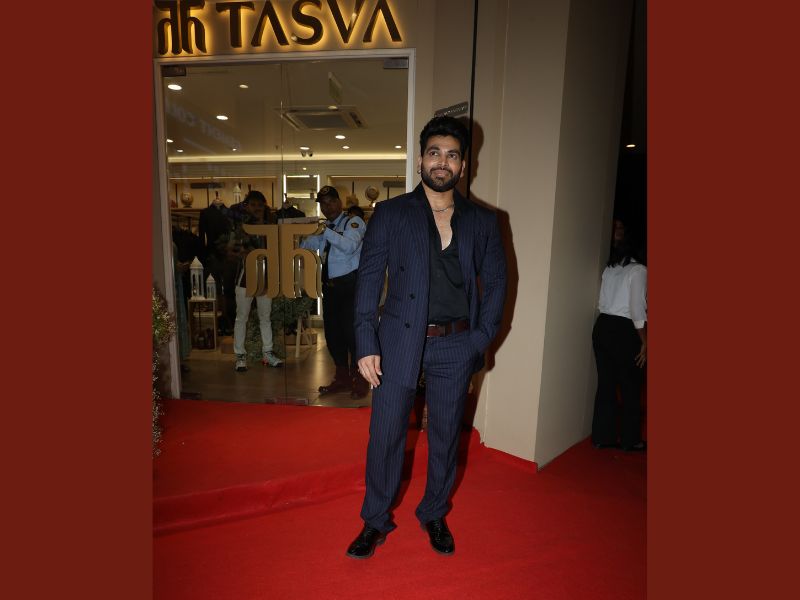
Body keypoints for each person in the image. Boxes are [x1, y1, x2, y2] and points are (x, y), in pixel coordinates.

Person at [345, 115, 507, 559]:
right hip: (397, 339)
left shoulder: (483, 221)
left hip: (456, 342)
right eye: (434, 152)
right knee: (386, 435)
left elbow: (496, 283)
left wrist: (480, 339)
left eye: (452, 155)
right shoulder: (392, 213)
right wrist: (366, 342)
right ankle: (374, 520)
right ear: (420, 160)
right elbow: (368, 280)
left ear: (464, 165)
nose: (442, 162)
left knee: (446, 436)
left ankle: (434, 511)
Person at [300, 186, 368, 398]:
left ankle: (360, 379)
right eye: (323, 204)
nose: (327, 207)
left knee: (352, 335)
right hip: (330, 289)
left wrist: (325, 232)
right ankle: (342, 378)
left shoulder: (353, 222)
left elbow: (349, 246)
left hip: (349, 288)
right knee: (333, 335)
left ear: (339, 202)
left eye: (330, 202)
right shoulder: (326, 229)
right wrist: (301, 235)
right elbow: (308, 244)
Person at [590, 217, 647, 452]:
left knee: (606, 383)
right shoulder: (639, 270)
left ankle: (602, 437)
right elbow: (637, 309)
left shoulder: (610, 269)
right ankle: (630, 440)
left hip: (602, 326)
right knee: (630, 385)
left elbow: (602, 301)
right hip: (624, 330)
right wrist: (645, 340)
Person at [226, 190, 284, 372]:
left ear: (265, 206)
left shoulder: (271, 227)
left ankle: (267, 353)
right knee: (241, 317)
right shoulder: (241, 227)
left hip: (266, 277)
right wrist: (242, 253)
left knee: (265, 317)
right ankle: (240, 356)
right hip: (244, 277)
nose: (257, 208)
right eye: (253, 205)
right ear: (246, 206)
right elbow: (229, 252)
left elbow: (279, 251)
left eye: (260, 205)